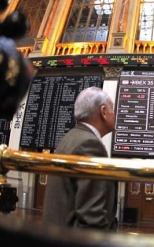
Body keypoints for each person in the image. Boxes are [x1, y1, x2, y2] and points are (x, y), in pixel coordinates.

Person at [42, 86, 118, 231]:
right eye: (112, 109)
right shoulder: (90, 145)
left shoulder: (70, 137)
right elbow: (91, 219)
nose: (115, 114)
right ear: (103, 112)